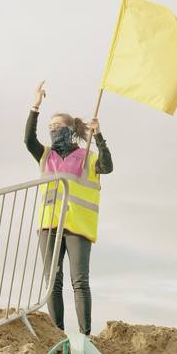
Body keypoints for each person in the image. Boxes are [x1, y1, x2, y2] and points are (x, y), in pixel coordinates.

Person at [24, 80, 113, 336]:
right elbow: (28, 139)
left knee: (79, 282)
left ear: (69, 129)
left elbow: (107, 167)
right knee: (53, 281)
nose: (52, 130)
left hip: (77, 227)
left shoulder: (88, 157)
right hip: (49, 225)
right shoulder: (45, 155)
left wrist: (99, 137)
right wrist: (36, 106)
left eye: (57, 126)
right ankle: (58, 333)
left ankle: (85, 336)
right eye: (50, 127)